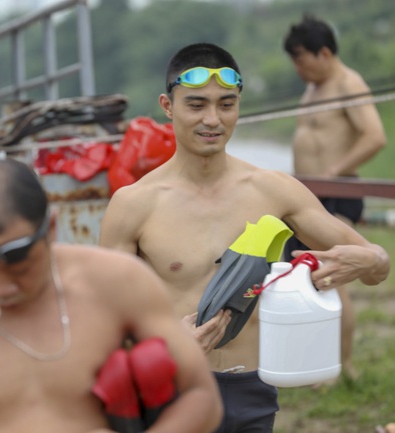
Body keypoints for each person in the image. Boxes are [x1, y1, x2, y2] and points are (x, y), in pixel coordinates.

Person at [98, 42, 390, 433]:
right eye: (196, 104)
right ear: (167, 107)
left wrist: (370, 260)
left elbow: (376, 266)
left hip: (252, 391)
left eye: (226, 104)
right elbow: (105, 325)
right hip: (173, 389)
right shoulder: (133, 204)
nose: (213, 119)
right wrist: (166, 346)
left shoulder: (273, 191)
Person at [0, 157, 223, 433]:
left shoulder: (117, 284)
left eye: (20, 264)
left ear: (51, 230)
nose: (3, 287)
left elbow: (201, 396)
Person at [283, 14, 387, 381]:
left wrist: (333, 173)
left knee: (332, 279)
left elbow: (374, 136)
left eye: (301, 59)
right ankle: (311, 363)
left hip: (335, 197)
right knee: (303, 279)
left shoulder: (348, 83)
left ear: (323, 52)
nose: (297, 69)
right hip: (307, 198)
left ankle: (344, 368)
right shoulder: (313, 88)